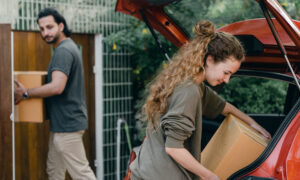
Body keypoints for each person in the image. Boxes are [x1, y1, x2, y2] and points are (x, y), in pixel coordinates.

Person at [129, 20, 271, 180]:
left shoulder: (191, 84)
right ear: (209, 60)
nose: (227, 80)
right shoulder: (188, 91)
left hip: (145, 169)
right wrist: (210, 176)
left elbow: (225, 108)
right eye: (226, 72)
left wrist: (254, 125)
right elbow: (173, 148)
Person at [14, 8, 96, 180]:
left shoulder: (64, 51)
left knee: (82, 175)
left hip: (68, 127)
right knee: (54, 170)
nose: (45, 33)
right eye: (42, 29)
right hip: (62, 126)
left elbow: (57, 87)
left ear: (61, 25)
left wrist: (26, 93)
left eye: (49, 27)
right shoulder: (68, 47)